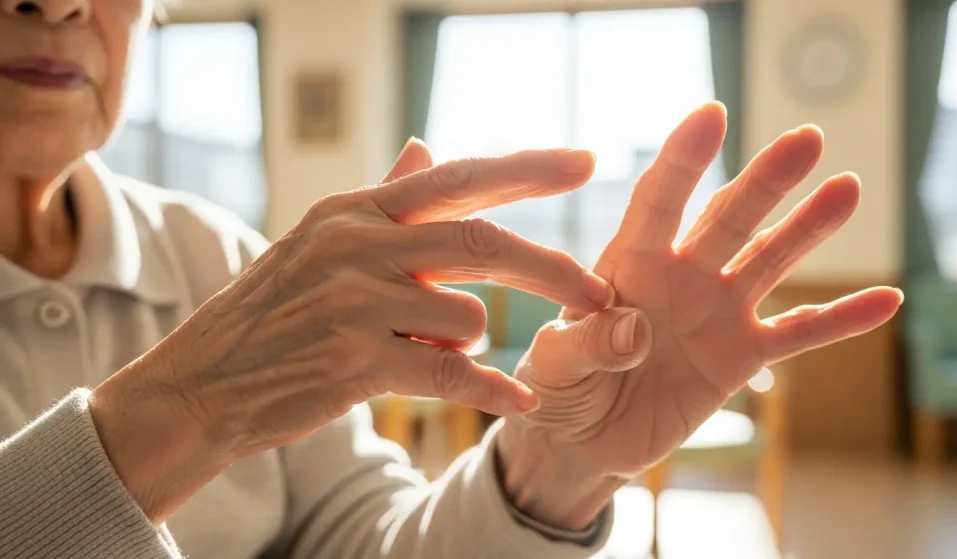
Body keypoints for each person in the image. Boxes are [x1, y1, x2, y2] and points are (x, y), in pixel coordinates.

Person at [0, 0, 904, 557]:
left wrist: (551, 468)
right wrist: (188, 407)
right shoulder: (242, 301)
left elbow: (365, 542)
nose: (58, 3)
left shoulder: (214, 255)